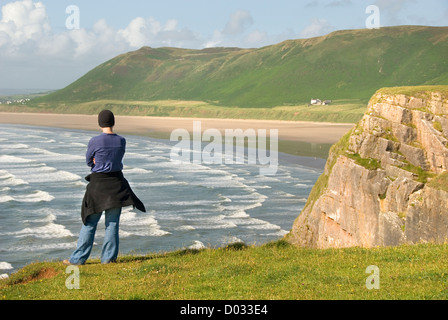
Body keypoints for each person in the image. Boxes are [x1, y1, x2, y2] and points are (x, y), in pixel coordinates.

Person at [63, 110, 146, 265]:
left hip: (98, 186)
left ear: (100, 123)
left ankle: (78, 259)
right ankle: (108, 260)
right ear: (113, 122)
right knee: (112, 224)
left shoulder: (95, 141)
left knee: (90, 223)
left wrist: (96, 161)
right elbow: (117, 158)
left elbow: (89, 161)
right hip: (116, 184)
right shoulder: (121, 141)